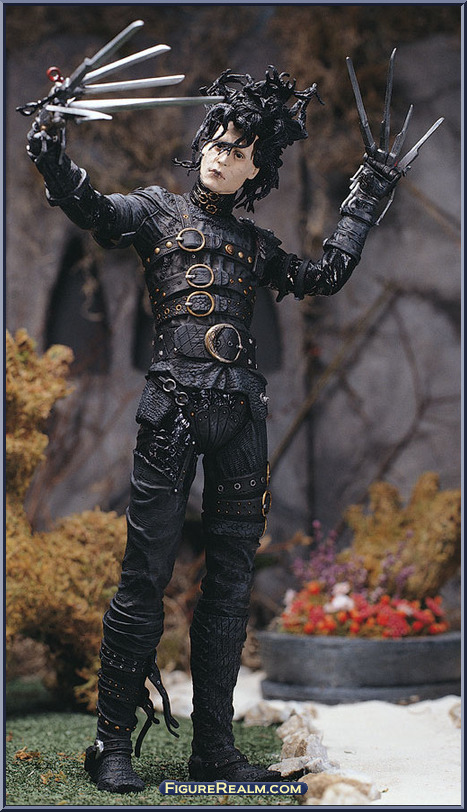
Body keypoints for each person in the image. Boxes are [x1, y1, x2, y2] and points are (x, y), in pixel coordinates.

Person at [26, 66, 403, 792]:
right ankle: (111, 743)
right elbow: (90, 208)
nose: (222, 157)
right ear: (202, 143)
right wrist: (50, 145)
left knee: (229, 588)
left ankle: (215, 749)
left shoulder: (255, 247)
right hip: (171, 412)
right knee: (144, 577)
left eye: (239, 152)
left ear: (256, 169)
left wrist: (366, 199)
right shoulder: (155, 213)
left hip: (241, 422)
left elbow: (322, 275)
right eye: (217, 143)